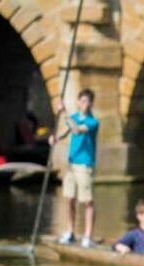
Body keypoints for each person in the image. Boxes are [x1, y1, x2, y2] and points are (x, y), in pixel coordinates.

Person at [50, 88, 99, 248]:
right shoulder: (73, 117)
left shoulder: (93, 121)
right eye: (82, 101)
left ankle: (87, 236)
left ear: (91, 104)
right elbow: (65, 133)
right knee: (69, 199)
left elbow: (77, 130)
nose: (85, 104)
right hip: (71, 163)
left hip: (84, 164)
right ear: (78, 102)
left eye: (88, 101)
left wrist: (64, 113)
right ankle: (70, 232)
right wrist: (54, 138)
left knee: (87, 201)